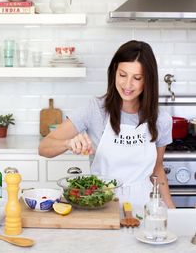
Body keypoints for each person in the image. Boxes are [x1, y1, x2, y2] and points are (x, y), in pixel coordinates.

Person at [39, 40, 175, 209]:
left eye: (137, 78)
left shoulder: (161, 119)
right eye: (123, 75)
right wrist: (68, 143)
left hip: (145, 207)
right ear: (114, 73)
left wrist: (172, 212)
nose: (127, 85)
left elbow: (158, 169)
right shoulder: (95, 109)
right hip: (102, 204)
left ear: (148, 80)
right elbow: (44, 147)